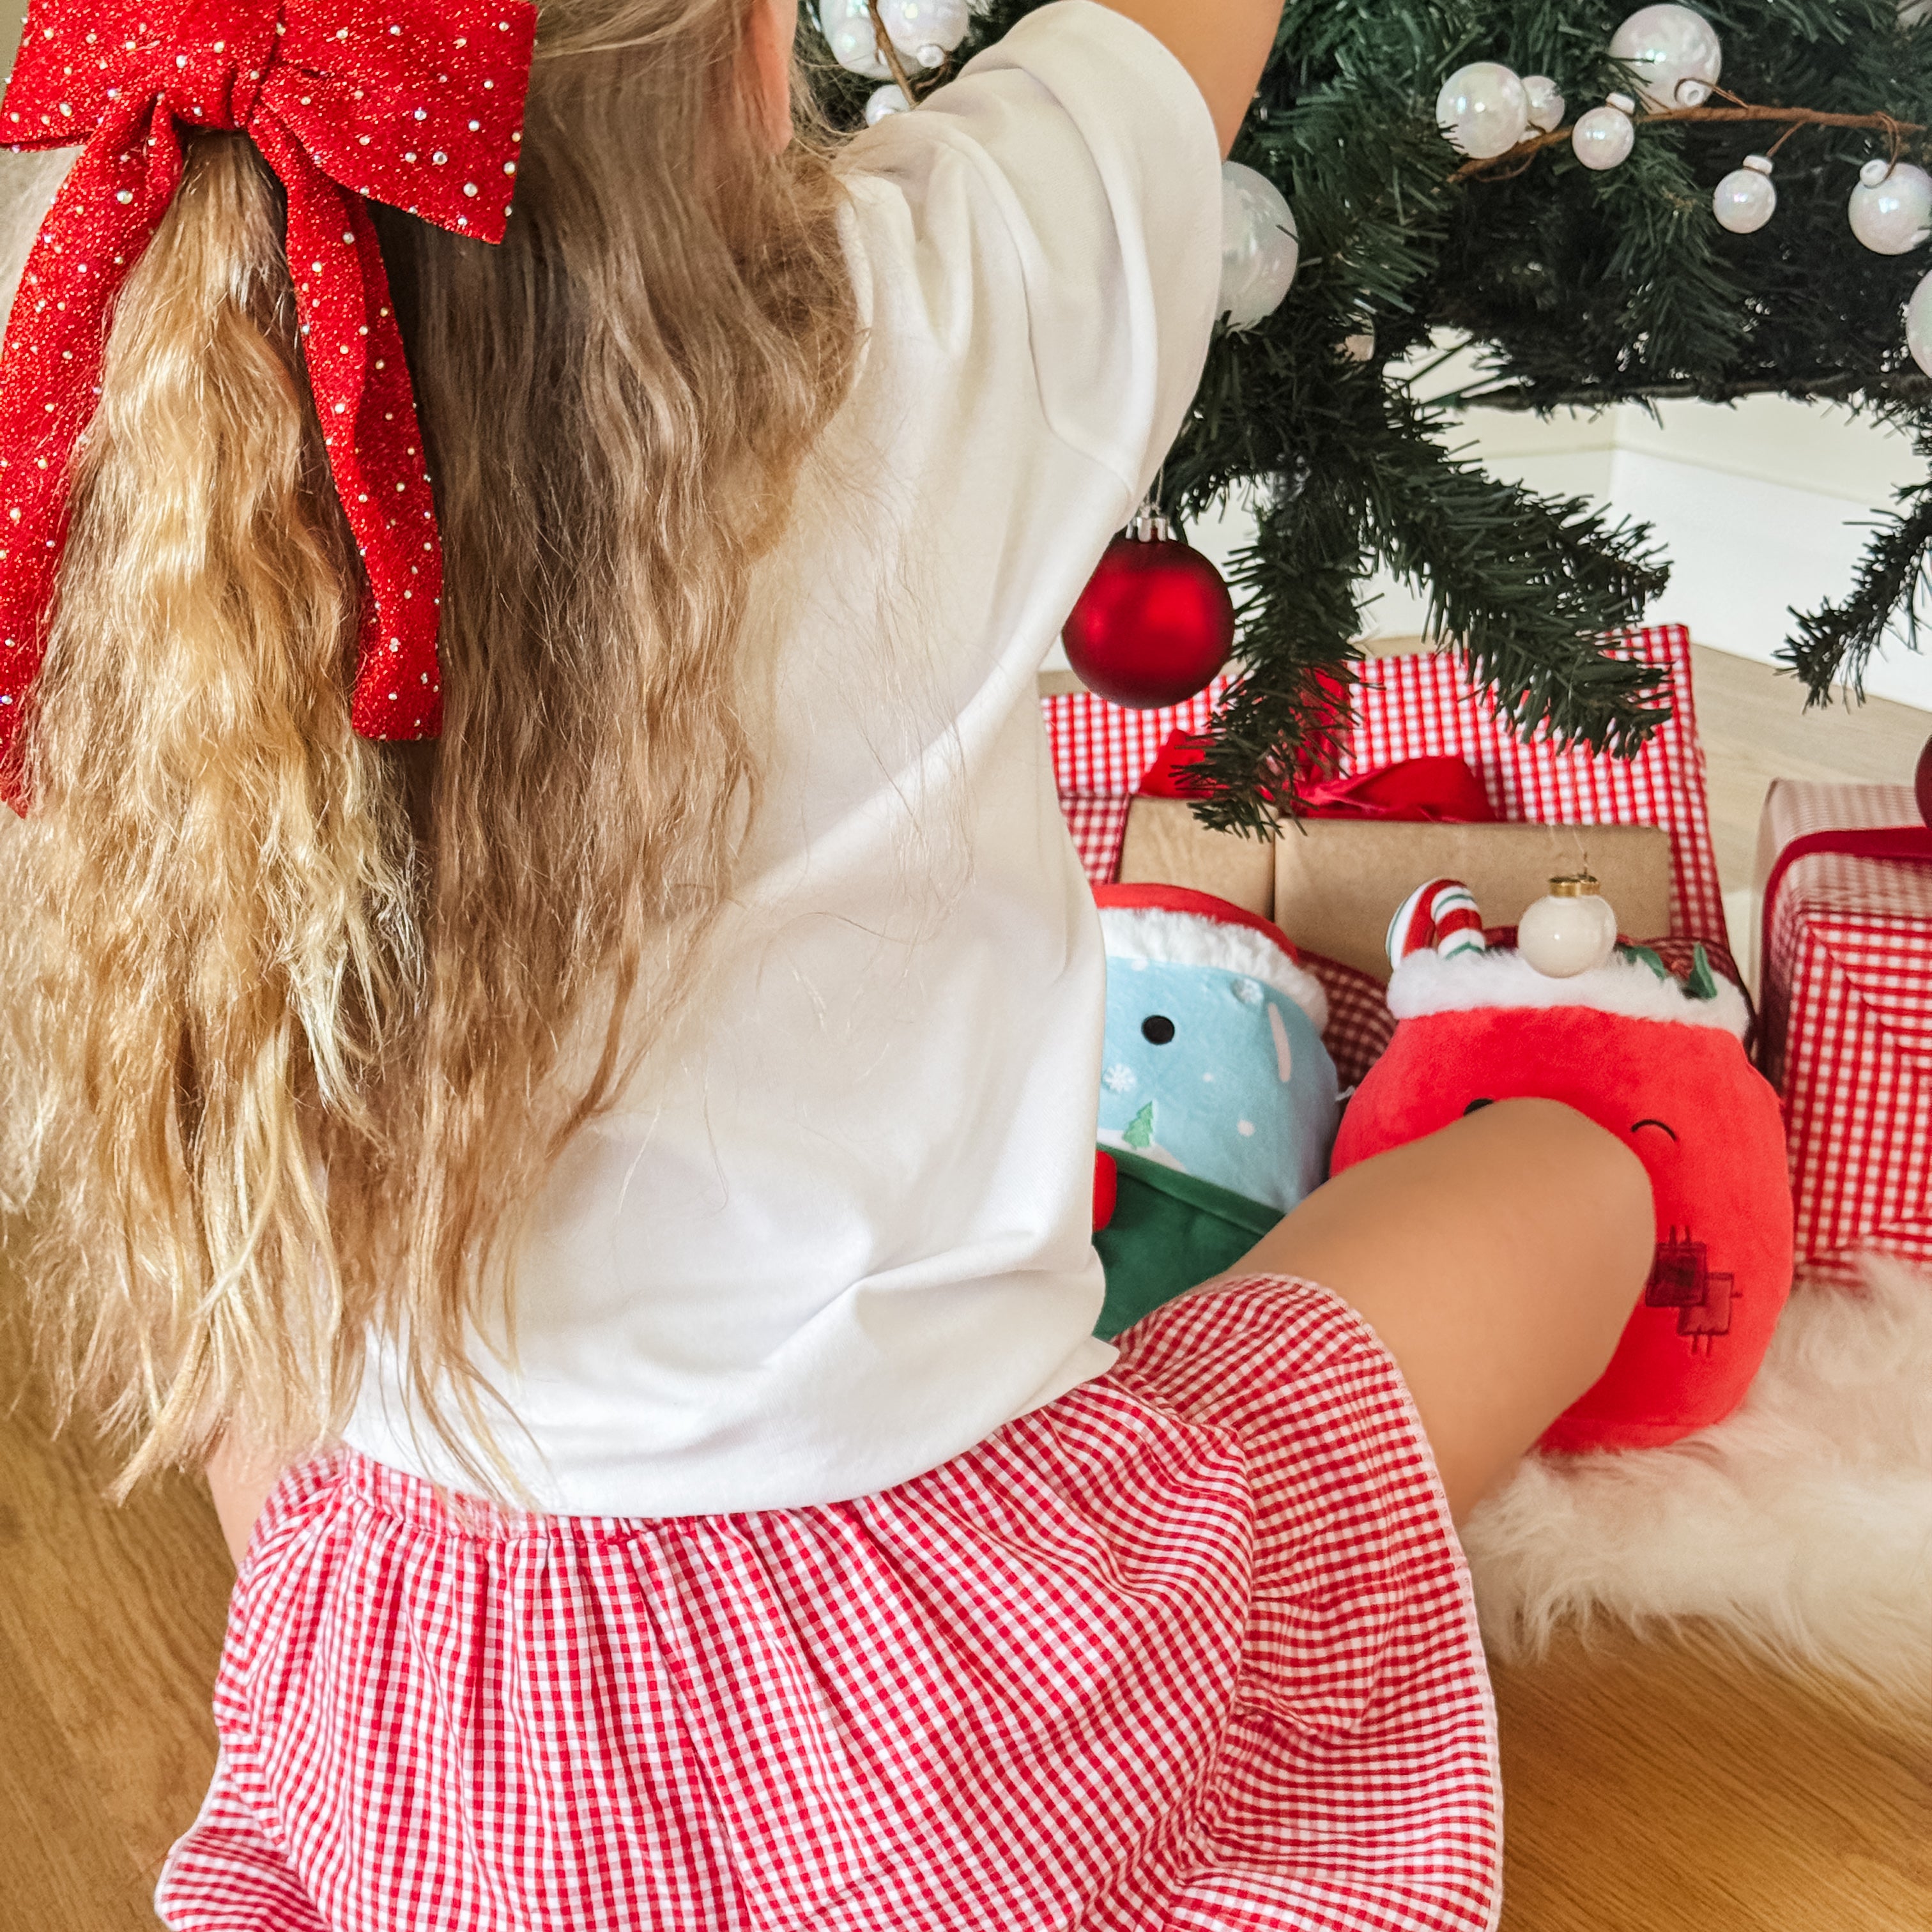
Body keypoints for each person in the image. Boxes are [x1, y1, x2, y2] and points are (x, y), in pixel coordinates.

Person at [0, 0, 1652, 1924]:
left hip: (442, 1746)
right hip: (971, 1721)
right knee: (1569, 1188)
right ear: (745, 60)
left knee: (259, 1305)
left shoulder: (118, 398)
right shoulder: (919, 326)